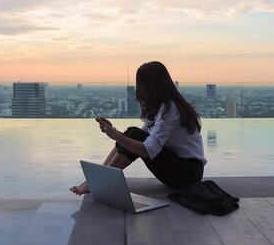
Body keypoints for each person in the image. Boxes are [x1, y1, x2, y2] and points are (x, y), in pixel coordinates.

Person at [70, 61, 206, 195]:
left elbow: (149, 150)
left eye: (142, 83)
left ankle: (98, 181)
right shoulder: (162, 106)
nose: (139, 88)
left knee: (133, 134)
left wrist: (117, 136)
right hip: (180, 168)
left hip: (188, 175)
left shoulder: (170, 109)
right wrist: (113, 131)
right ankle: (96, 178)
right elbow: (140, 137)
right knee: (132, 132)